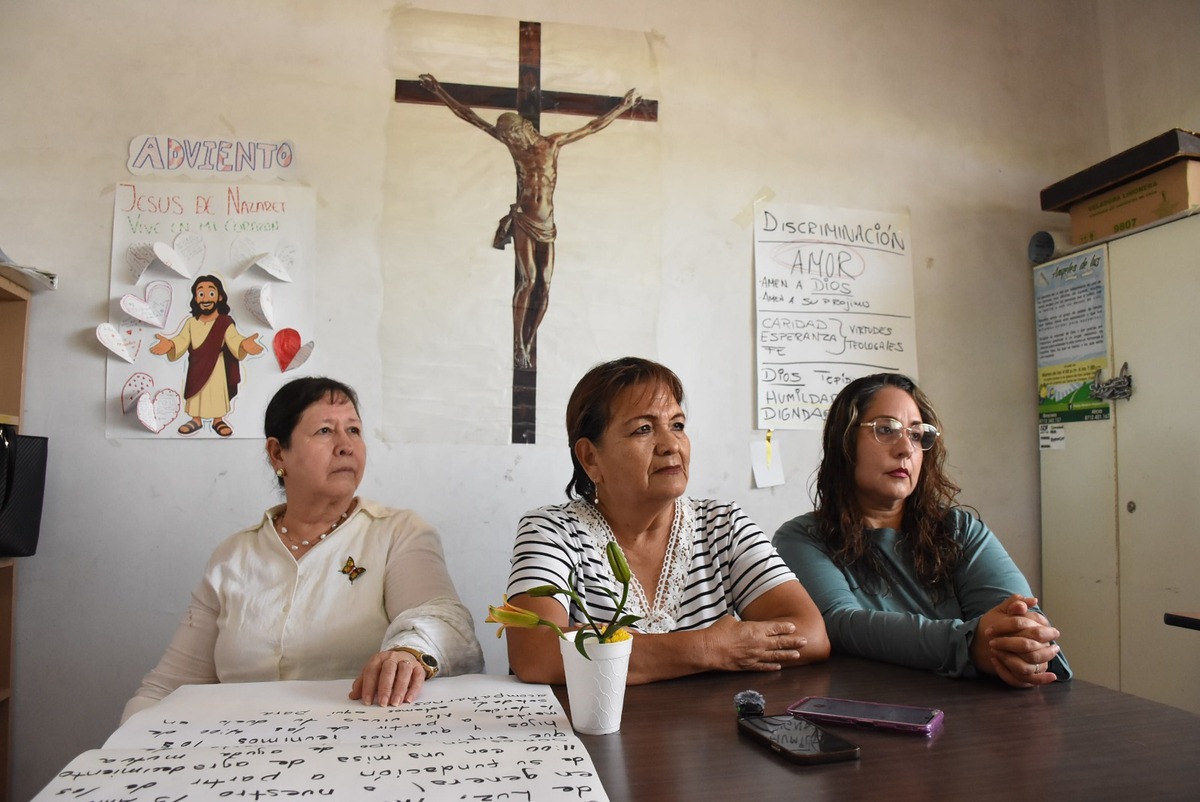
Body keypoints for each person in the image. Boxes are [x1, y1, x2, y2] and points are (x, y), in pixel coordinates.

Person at [122, 377, 483, 722]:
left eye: (354, 430)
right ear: (278, 453)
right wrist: (128, 746)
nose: (346, 445)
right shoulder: (233, 556)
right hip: (239, 750)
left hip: (359, 745)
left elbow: (445, 624)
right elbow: (165, 688)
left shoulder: (398, 533)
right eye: (325, 431)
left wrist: (408, 653)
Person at [504, 357, 829, 684]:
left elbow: (810, 635)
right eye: (643, 429)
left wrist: (610, 648)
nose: (672, 445)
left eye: (677, 425)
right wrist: (710, 647)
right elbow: (535, 653)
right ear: (591, 457)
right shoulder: (551, 532)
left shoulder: (724, 525)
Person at [773, 372, 1071, 687]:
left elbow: (1021, 622)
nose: (906, 449)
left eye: (916, 435)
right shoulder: (803, 539)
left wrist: (1027, 648)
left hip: (982, 711)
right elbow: (839, 623)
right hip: (869, 706)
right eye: (885, 429)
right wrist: (968, 645)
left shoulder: (961, 530)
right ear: (844, 442)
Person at [417, 74, 640, 369]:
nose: (510, 140)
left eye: (512, 134)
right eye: (507, 137)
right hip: (523, 219)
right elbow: (469, 116)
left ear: (524, 128)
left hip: (547, 224)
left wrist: (623, 106)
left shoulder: (552, 144)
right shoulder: (515, 150)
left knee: (544, 285)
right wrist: (438, 91)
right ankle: (517, 343)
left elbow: (592, 127)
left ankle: (530, 339)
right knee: (528, 279)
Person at [149, 274, 263, 437]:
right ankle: (196, 419)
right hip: (196, 367)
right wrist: (171, 345)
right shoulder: (191, 322)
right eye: (201, 293)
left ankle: (218, 420)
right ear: (195, 298)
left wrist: (243, 344)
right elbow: (182, 339)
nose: (206, 298)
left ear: (219, 297)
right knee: (197, 395)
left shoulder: (224, 322)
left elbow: (234, 339)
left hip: (217, 367)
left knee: (216, 392)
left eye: (211, 293)